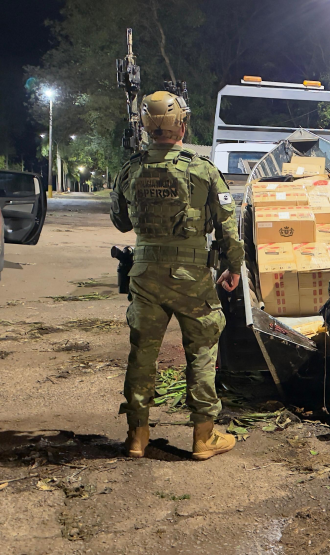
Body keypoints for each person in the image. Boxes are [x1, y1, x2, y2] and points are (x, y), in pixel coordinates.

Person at [110, 90, 245, 460]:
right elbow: (228, 227)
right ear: (182, 125)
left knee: (142, 353)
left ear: (146, 127)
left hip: (145, 274)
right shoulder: (202, 169)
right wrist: (234, 267)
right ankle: (203, 437)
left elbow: (121, 222)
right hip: (192, 278)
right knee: (201, 350)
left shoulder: (130, 169)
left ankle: (137, 436)